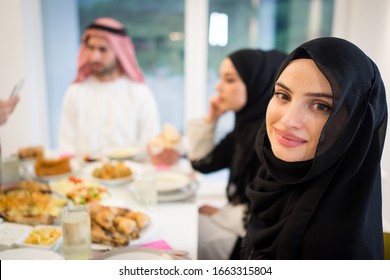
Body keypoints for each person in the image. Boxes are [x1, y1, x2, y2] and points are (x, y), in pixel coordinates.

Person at [242, 37, 387, 260]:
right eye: (283, 95)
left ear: (356, 125)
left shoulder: (337, 249)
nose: (289, 120)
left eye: (321, 106)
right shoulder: (272, 181)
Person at [186, 49, 287, 259]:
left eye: (229, 80)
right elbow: (203, 163)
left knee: (186, 239)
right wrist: (211, 119)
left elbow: (272, 213)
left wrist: (222, 214)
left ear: (255, 84)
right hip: (238, 223)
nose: (218, 87)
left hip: (255, 241)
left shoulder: (272, 138)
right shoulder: (246, 126)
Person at [58, 17, 160, 156]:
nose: (94, 57)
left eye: (103, 50)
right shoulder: (75, 92)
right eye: (91, 48)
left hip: (133, 174)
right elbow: (66, 147)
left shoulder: (139, 92)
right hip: (84, 175)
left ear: (119, 53)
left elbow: (151, 146)